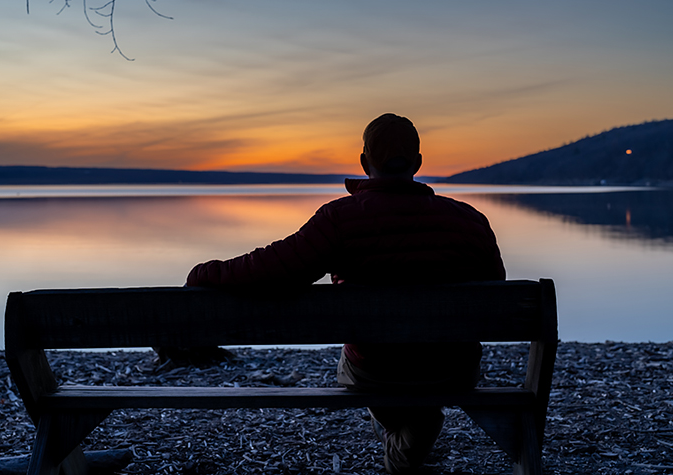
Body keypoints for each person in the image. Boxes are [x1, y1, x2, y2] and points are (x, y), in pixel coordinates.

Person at [186, 113, 505, 473]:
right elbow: (496, 293)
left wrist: (205, 273)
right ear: (417, 163)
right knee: (419, 389)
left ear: (365, 163)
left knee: (372, 363)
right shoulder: (470, 221)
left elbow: (272, 270)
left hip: (375, 370)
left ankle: (407, 440)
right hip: (452, 370)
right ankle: (413, 436)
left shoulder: (340, 220)